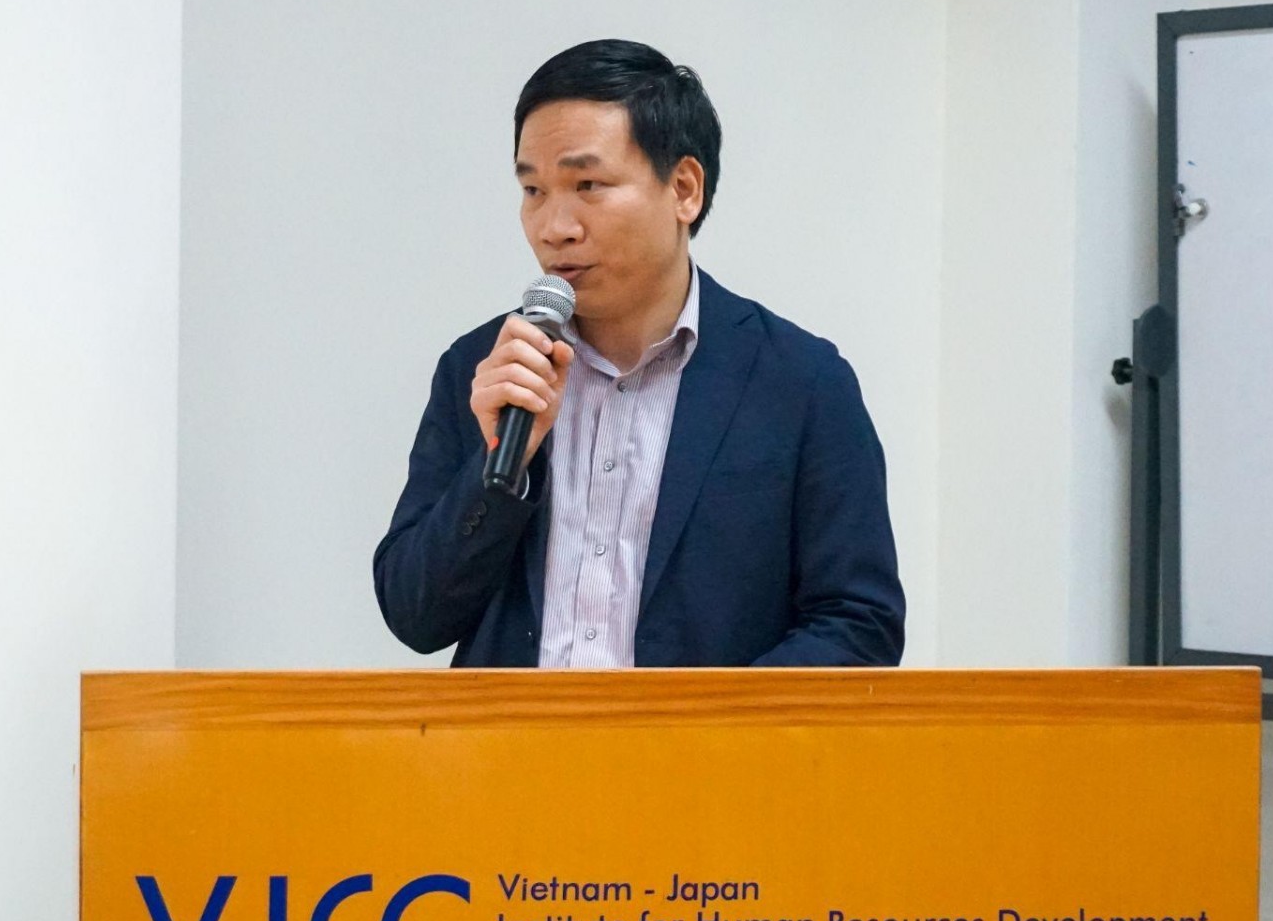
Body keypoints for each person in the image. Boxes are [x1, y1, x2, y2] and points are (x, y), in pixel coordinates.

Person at [373, 39, 902, 667]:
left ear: (683, 188)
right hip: (514, 735)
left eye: (587, 184)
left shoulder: (801, 383)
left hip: (708, 735)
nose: (554, 227)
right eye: (534, 190)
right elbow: (415, 615)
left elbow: (857, 624)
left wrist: (708, 723)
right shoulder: (485, 370)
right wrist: (499, 466)